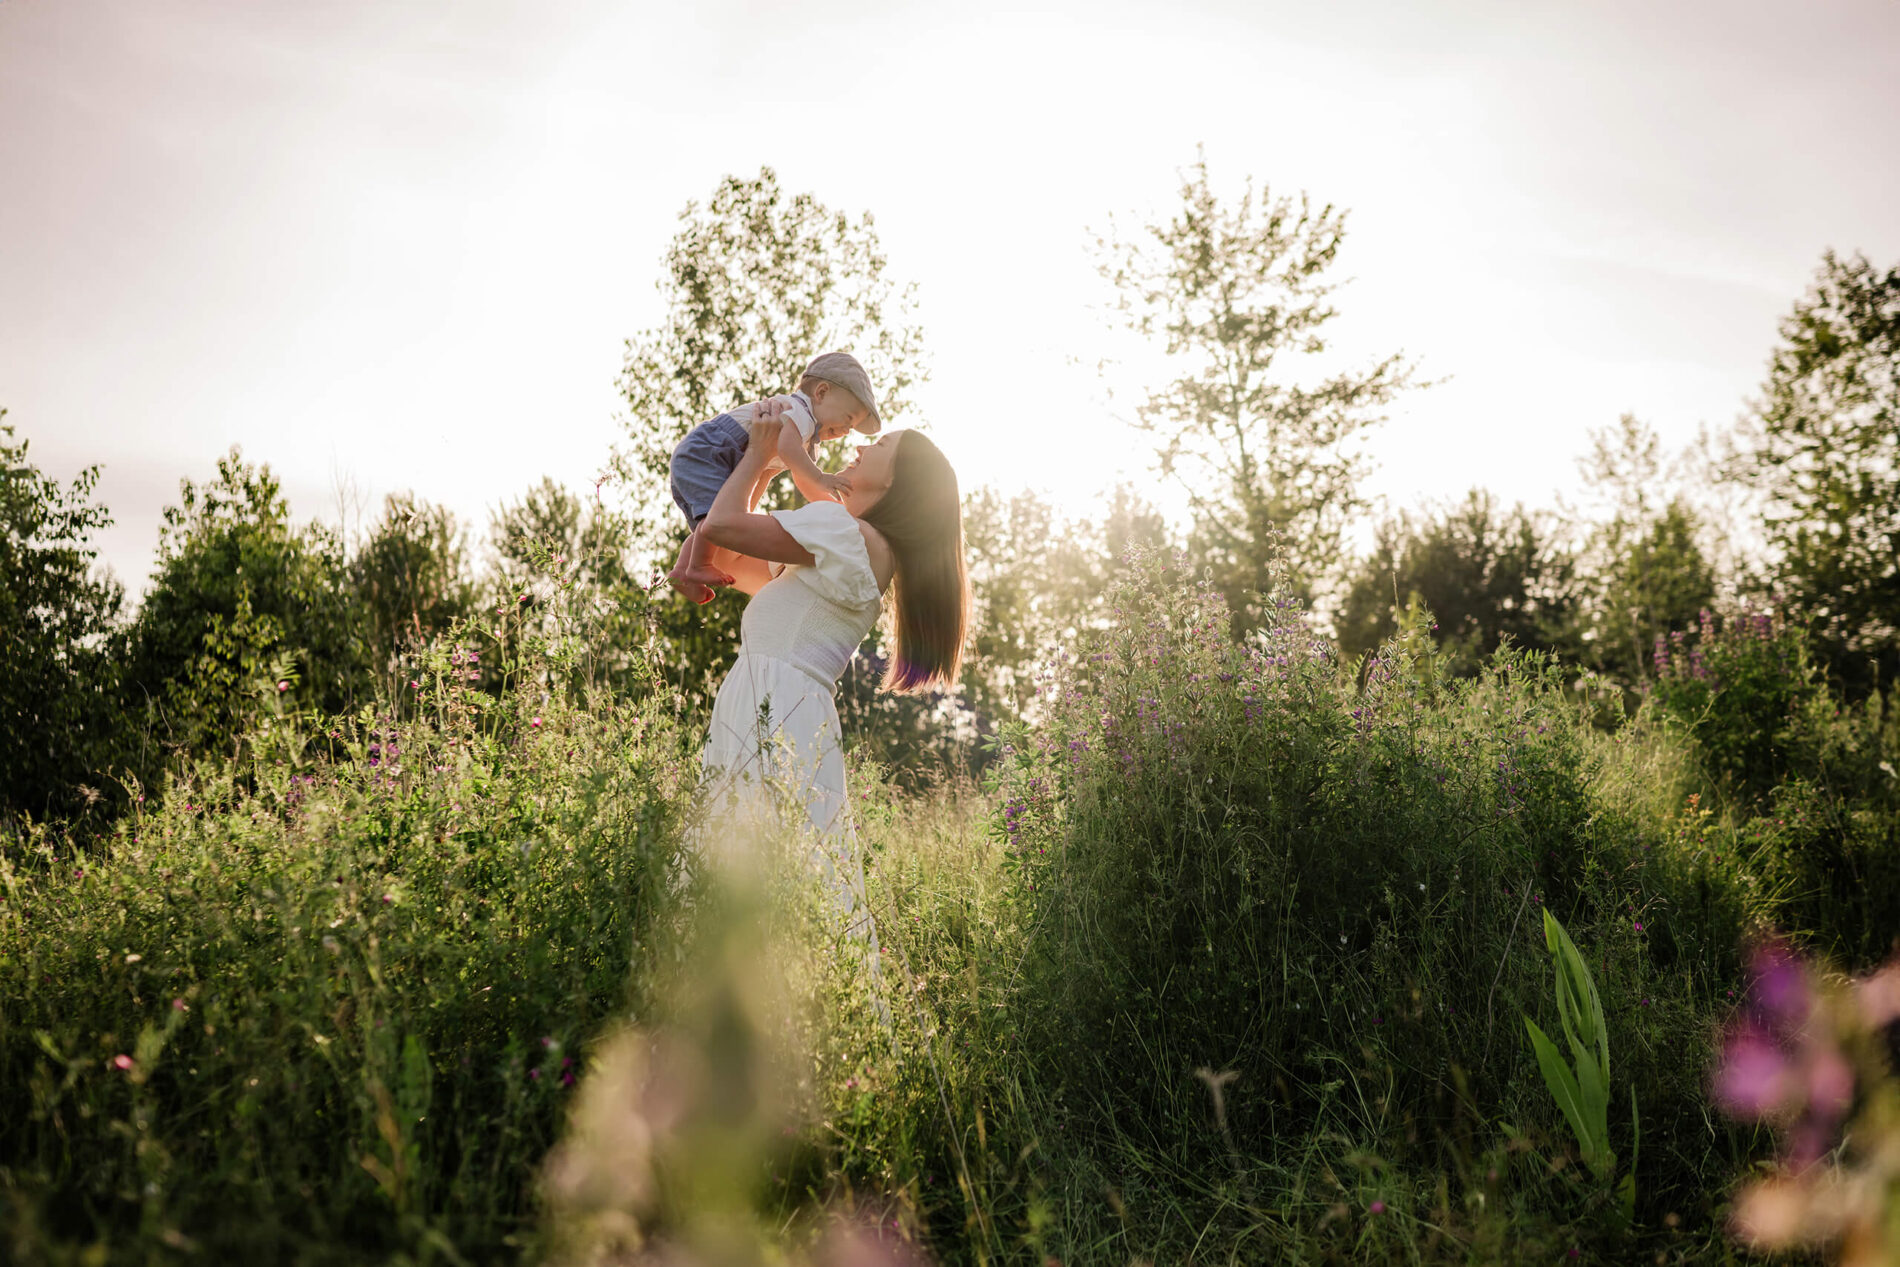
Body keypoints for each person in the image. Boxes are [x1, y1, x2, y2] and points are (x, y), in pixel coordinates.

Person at [692, 398, 967, 946]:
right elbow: (727, 560)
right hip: (774, 698)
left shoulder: (851, 537)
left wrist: (756, 455)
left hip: (779, 703)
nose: (861, 446)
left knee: (760, 864)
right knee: (753, 861)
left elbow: (720, 523)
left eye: (879, 447)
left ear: (895, 484)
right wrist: (766, 466)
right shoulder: (843, 542)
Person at [666, 351, 882, 603]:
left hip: (720, 458)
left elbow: (802, 479)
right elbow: (787, 449)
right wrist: (822, 477)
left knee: (716, 518)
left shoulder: (808, 437)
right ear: (821, 393)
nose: (846, 431)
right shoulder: (800, 411)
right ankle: (698, 566)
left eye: (851, 428)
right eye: (848, 419)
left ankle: (683, 570)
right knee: (716, 519)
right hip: (710, 450)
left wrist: (836, 508)